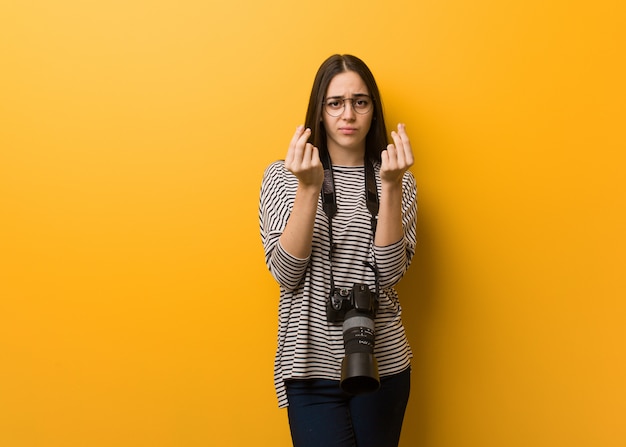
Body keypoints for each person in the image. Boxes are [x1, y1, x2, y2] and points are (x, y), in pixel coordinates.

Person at [259, 54, 417, 447]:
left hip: (383, 361)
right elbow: (285, 273)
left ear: (373, 112)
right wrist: (309, 188)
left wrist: (392, 186)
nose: (348, 114)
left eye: (360, 102)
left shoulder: (398, 180)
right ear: (320, 110)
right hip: (309, 365)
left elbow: (391, 271)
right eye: (336, 103)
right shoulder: (283, 176)